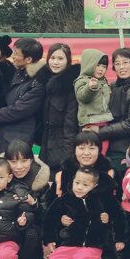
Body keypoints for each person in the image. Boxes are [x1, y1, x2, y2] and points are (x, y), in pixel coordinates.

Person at [44, 167, 125, 259]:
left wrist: (118, 236)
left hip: (92, 245)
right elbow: (49, 218)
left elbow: (119, 217)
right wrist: (49, 237)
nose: (80, 187)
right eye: (77, 183)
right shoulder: (65, 199)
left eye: (85, 185)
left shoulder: (102, 200)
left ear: (94, 186)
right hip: (70, 243)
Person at [0, 38, 46, 156]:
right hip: (3, 133)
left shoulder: (38, 82)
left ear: (28, 59)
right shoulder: (17, 74)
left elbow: (18, 110)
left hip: (18, 139)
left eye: (16, 54)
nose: (12, 56)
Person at [3, 140, 51, 259]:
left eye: (24, 161)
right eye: (13, 161)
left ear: (31, 160)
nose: (18, 167)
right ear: (6, 161)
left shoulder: (40, 180)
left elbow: (47, 215)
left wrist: (34, 203)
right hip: (2, 236)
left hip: (29, 237)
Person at [96, 47, 130, 180]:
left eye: (125, 62)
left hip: (127, 149)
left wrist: (100, 132)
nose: (121, 67)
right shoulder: (112, 86)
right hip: (108, 146)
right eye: (117, 63)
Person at [38, 43, 80, 173]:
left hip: (61, 150)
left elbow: (70, 128)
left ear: (68, 61)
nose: (55, 62)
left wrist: (65, 161)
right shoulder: (43, 81)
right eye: (52, 58)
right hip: (45, 147)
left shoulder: (70, 87)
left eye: (60, 59)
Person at [74, 48, 113, 150]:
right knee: (92, 149)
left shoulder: (104, 81)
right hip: (91, 122)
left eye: (104, 66)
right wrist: (90, 88)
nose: (101, 69)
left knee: (103, 149)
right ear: (89, 64)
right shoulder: (82, 81)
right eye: (98, 65)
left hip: (104, 122)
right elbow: (82, 97)